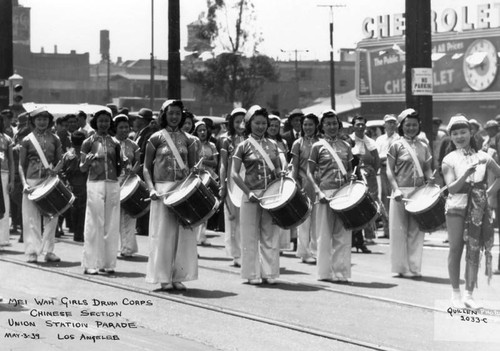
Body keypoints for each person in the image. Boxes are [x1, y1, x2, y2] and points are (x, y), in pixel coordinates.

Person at [442, 115, 500, 309]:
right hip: (456, 208)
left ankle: (469, 294)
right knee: (456, 249)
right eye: (455, 133)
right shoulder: (449, 159)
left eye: (463, 132)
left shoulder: (483, 156)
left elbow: (498, 174)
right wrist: (466, 174)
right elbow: (451, 188)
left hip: (477, 209)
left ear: (471, 133)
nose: (459, 136)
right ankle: (455, 293)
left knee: (474, 250)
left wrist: (487, 193)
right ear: (451, 137)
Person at [144, 99, 199, 291]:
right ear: (164, 115)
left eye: (177, 113)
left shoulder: (189, 140)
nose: (174, 117)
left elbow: (193, 168)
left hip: (182, 189)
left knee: (183, 234)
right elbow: (145, 168)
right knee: (163, 234)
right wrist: (151, 188)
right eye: (171, 113)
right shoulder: (155, 138)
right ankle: (163, 276)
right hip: (162, 189)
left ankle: (179, 276)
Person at [232, 106, 283, 285]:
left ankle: (269, 273)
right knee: (249, 236)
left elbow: (277, 167)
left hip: (270, 195)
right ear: (249, 124)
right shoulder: (243, 146)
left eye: (263, 123)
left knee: (270, 234)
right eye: (257, 123)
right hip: (250, 195)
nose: (260, 126)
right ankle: (251, 274)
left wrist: (280, 174)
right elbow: (234, 174)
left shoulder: (273, 145)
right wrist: (248, 192)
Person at [308, 110, 354, 282]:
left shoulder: (346, 146)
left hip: (343, 194)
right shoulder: (317, 146)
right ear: (322, 127)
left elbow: (349, 169)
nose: (332, 126)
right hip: (325, 194)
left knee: (343, 235)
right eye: (328, 124)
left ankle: (341, 273)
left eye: (334, 123)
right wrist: (318, 191)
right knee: (324, 234)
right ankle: (324, 273)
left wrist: (351, 177)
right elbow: (309, 172)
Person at [387, 108, 433, 278]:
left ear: (418, 125)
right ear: (401, 126)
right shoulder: (396, 145)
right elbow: (389, 171)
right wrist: (396, 189)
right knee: (399, 230)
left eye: (414, 125)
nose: (411, 128)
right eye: (408, 125)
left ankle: (414, 268)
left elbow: (428, 169)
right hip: (400, 192)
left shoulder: (424, 146)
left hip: (419, 193)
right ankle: (400, 267)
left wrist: (431, 179)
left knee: (416, 230)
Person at [80, 109, 122, 274]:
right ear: (95, 122)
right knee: (94, 223)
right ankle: (90, 264)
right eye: (101, 121)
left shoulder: (115, 143)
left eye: (106, 121)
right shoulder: (88, 142)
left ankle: (107, 263)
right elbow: (82, 168)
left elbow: (118, 167)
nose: (104, 124)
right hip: (95, 183)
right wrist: (87, 163)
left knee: (111, 224)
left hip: (112, 183)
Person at [18, 107, 62, 263]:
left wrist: (56, 170)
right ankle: (32, 251)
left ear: (49, 121)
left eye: (45, 119)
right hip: (31, 181)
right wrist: (24, 183)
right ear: (33, 121)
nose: (42, 122)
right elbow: (21, 165)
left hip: (49, 182)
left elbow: (59, 161)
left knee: (52, 215)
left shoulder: (55, 139)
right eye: (38, 119)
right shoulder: (27, 140)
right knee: (31, 218)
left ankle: (49, 251)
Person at [290, 113, 320, 263]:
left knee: (318, 219)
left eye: (311, 124)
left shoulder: (321, 142)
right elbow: (294, 166)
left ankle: (316, 250)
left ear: (316, 126)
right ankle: (304, 252)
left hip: (319, 184)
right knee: (304, 221)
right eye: (305, 125)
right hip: (303, 184)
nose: (308, 127)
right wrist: (295, 184)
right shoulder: (298, 144)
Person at [219, 107, 246, 267]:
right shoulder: (226, 140)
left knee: (246, 218)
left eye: (243, 121)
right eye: (237, 121)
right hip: (232, 181)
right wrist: (222, 184)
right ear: (231, 123)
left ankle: (246, 252)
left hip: (247, 182)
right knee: (232, 218)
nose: (240, 124)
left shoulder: (252, 138)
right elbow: (223, 164)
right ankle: (235, 253)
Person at [350, 115, 381, 249]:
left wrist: (371, 172)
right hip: (355, 177)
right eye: (358, 124)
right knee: (356, 206)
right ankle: (356, 238)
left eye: (363, 124)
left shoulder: (370, 142)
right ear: (353, 126)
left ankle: (368, 235)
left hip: (369, 176)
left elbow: (377, 160)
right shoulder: (349, 140)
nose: (360, 127)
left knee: (370, 204)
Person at [114, 114, 141, 256]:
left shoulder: (133, 145)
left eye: (126, 127)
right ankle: (115, 247)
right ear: (115, 128)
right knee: (114, 215)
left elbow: (138, 162)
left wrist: (133, 171)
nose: (124, 130)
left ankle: (128, 248)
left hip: (129, 182)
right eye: (121, 127)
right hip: (114, 181)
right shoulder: (111, 143)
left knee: (130, 215)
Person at [267, 114, 292, 252]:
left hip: (281, 179)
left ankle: (279, 245)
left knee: (280, 212)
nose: (273, 128)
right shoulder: (262, 142)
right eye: (271, 125)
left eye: (276, 126)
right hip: (268, 180)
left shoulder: (283, 142)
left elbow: (285, 160)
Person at [193, 120, 219, 246]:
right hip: (197, 178)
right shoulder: (193, 144)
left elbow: (215, 162)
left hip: (209, 177)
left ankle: (202, 235)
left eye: (204, 130)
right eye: (200, 130)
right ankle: (195, 236)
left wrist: (204, 162)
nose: (203, 132)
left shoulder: (212, 146)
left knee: (207, 205)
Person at [60, 131, 88, 242]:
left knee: (75, 210)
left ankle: (76, 232)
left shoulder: (67, 155)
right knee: (80, 211)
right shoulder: (84, 154)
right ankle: (78, 233)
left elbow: (62, 171)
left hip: (74, 185)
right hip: (80, 186)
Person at [133, 107, 157, 237]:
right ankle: (140, 225)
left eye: (138, 118)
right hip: (137, 170)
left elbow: (143, 154)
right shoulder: (139, 133)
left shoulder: (149, 134)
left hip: (144, 170)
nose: (135, 121)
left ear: (143, 120)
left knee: (144, 199)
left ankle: (144, 226)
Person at [0, 116, 15, 246]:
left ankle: (2, 239)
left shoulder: (7, 139)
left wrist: (12, 181)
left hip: (4, 175)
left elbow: (11, 161)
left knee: (4, 206)